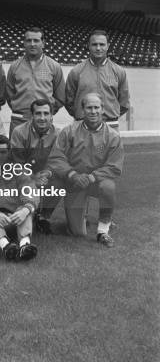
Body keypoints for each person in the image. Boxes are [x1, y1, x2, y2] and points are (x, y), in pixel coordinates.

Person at [46, 93, 124, 247]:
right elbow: (56, 157)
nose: (93, 111)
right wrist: (72, 174)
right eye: (89, 107)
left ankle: (103, 229)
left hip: (96, 182)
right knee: (77, 233)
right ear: (82, 110)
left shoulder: (113, 136)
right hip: (75, 183)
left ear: (102, 109)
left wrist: (93, 177)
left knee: (108, 187)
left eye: (96, 107)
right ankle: (77, 217)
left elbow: (114, 166)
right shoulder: (69, 131)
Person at [10, 98, 60, 234]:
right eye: (38, 113)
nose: (42, 118)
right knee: (24, 181)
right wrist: (32, 177)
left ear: (52, 116)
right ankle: (29, 212)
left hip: (45, 174)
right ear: (31, 116)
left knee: (61, 180)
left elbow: (58, 161)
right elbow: (17, 164)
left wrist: (46, 173)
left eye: (46, 113)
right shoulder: (19, 132)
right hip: (23, 175)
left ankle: (44, 217)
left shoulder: (59, 134)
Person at [65, 30, 130, 131]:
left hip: (110, 125)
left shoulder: (119, 71)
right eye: (94, 44)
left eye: (102, 44)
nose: (98, 48)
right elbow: (69, 101)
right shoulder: (76, 71)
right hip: (82, 125)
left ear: (108, 46)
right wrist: (82, 116)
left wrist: (110, 115)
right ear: (89, 46)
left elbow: (124, 102)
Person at [6, 27, 65, 134]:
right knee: (18, 150)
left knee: (44, 151)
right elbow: (9, 94)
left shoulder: (54, 66)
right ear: (24, 43)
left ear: (43, 43)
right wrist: (21, 108)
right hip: (19, 120)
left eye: (36, 40)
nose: (32, 44)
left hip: (44, 122)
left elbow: (60, 97)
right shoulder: (14, 66)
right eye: (29, 40)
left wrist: (47, 112)